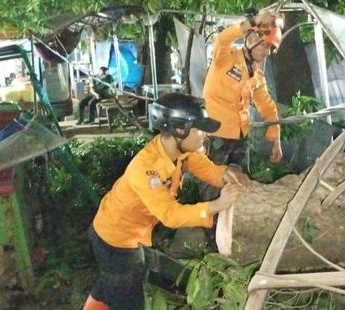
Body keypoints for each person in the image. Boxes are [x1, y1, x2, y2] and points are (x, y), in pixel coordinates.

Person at [82, 93, 250, 310]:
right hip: (115, 239)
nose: (204, 136)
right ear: (179, 129)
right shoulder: (146, 168)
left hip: (130, 233)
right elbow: (170, 215)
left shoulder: (180, 151)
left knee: (113, 282)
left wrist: (225, 174)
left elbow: (203, 166)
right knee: (127, 296)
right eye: (199, 129)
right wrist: (217, 205)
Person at [200, 11, 283, 250]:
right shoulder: (225, 57)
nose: (266, 54)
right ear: (252, 40)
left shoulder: (256, 74)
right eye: (265, 48)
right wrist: (250, 23)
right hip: (216, 134)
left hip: (239, 137)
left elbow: (267, 105)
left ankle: (233, 233)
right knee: (212, 185)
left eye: (269, 50)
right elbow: (222, 39)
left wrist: (275, 140)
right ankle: (210, 241)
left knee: (238, 183)